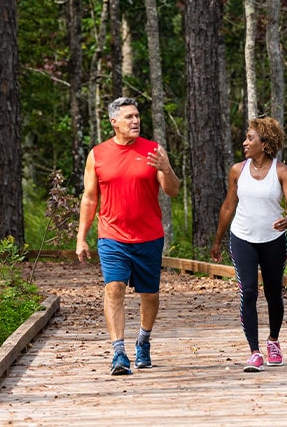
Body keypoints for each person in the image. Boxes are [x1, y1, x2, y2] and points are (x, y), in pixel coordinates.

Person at [76, 97, 181, 376]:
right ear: (114, 122)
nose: (135, 121)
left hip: (148, 237)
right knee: (114, 289)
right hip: (112, 236)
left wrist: (166, 167)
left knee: (150, 296)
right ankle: (119, 352)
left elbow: (172, 191)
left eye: (137, 116)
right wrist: (81, 237)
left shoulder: (153, 150)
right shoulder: (97, 155)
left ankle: (143, 340)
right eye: (129, 117)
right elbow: (89, 199)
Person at [211, 116, 287, 372]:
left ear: (265, 142)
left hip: (273, 240)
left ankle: (273, 341)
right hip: (242, 238)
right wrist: (217, 239)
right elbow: (229, 206)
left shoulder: (282, 172)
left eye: (250, 138)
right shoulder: (237, 170)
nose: (245, 142)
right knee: (248, 291)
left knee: (273, 292)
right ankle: (254, 351)